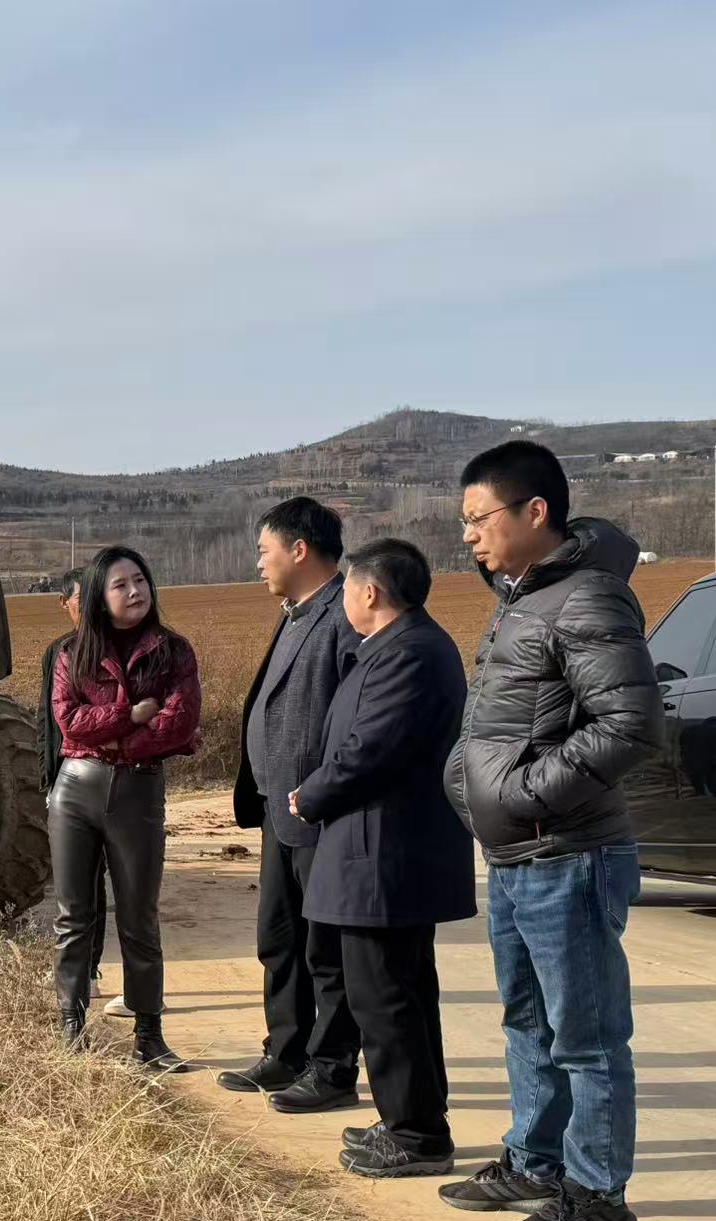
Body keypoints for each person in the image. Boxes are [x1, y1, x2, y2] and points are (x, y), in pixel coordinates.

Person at [440, 441, 661, 1221]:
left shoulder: (585, 597)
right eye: (463, 521)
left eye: (479, 518)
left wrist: (526, 794)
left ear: (534, 512)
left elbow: (629, 723)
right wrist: (473, 787)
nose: (468, 535)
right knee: (527, 1022)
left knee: (586, 1036)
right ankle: (535, 1162)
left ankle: (597, 1194)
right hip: (517, 855)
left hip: (568, 851)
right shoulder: (522, 598)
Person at [288, 539, 474, 1178]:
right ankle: (412, 1117)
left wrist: (312, 794)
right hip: (378, 853)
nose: (344, 599)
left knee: (386, 997)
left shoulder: (411, 653)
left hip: (384, 856)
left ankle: (416, 1136)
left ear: (369, 591)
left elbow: (370, 750)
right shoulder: (396, 646)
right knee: (400, 994)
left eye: (347, 589)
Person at [219, 498, 363, 1112]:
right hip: (280, 809)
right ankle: (286, 1051)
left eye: (264, 550)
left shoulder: (346, 613)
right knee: (279, 939)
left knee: (325, 949)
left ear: (299, 550)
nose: (259, 563)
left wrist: (325, 787)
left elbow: (355, 721)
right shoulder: (297, 613)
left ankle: (331, 1068)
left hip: (319, 809)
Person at [50, 545, 200, 1071]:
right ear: (99, 595)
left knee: (139, 917)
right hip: (75, 792)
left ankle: (149, 1037)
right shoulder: (72, 653)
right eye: (121, 584)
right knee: (74, 916)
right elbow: (69, 721)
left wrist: (119, 743)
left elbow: (179, 722)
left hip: (137, 790)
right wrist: (131, 714)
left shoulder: (173, 651)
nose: (135, 591)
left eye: (140, 579)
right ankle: (71, 1029)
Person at [38, 568, 107, 1000]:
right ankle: (79, 974)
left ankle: (93, 970)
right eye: (82, 599)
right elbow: (48, 722)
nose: (90, 606)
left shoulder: (117, 646)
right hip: (68, 778)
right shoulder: (58, 652)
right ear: (64, 604)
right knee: (77, 883)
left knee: (105, 880)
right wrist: (47, 779)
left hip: (110, 779)